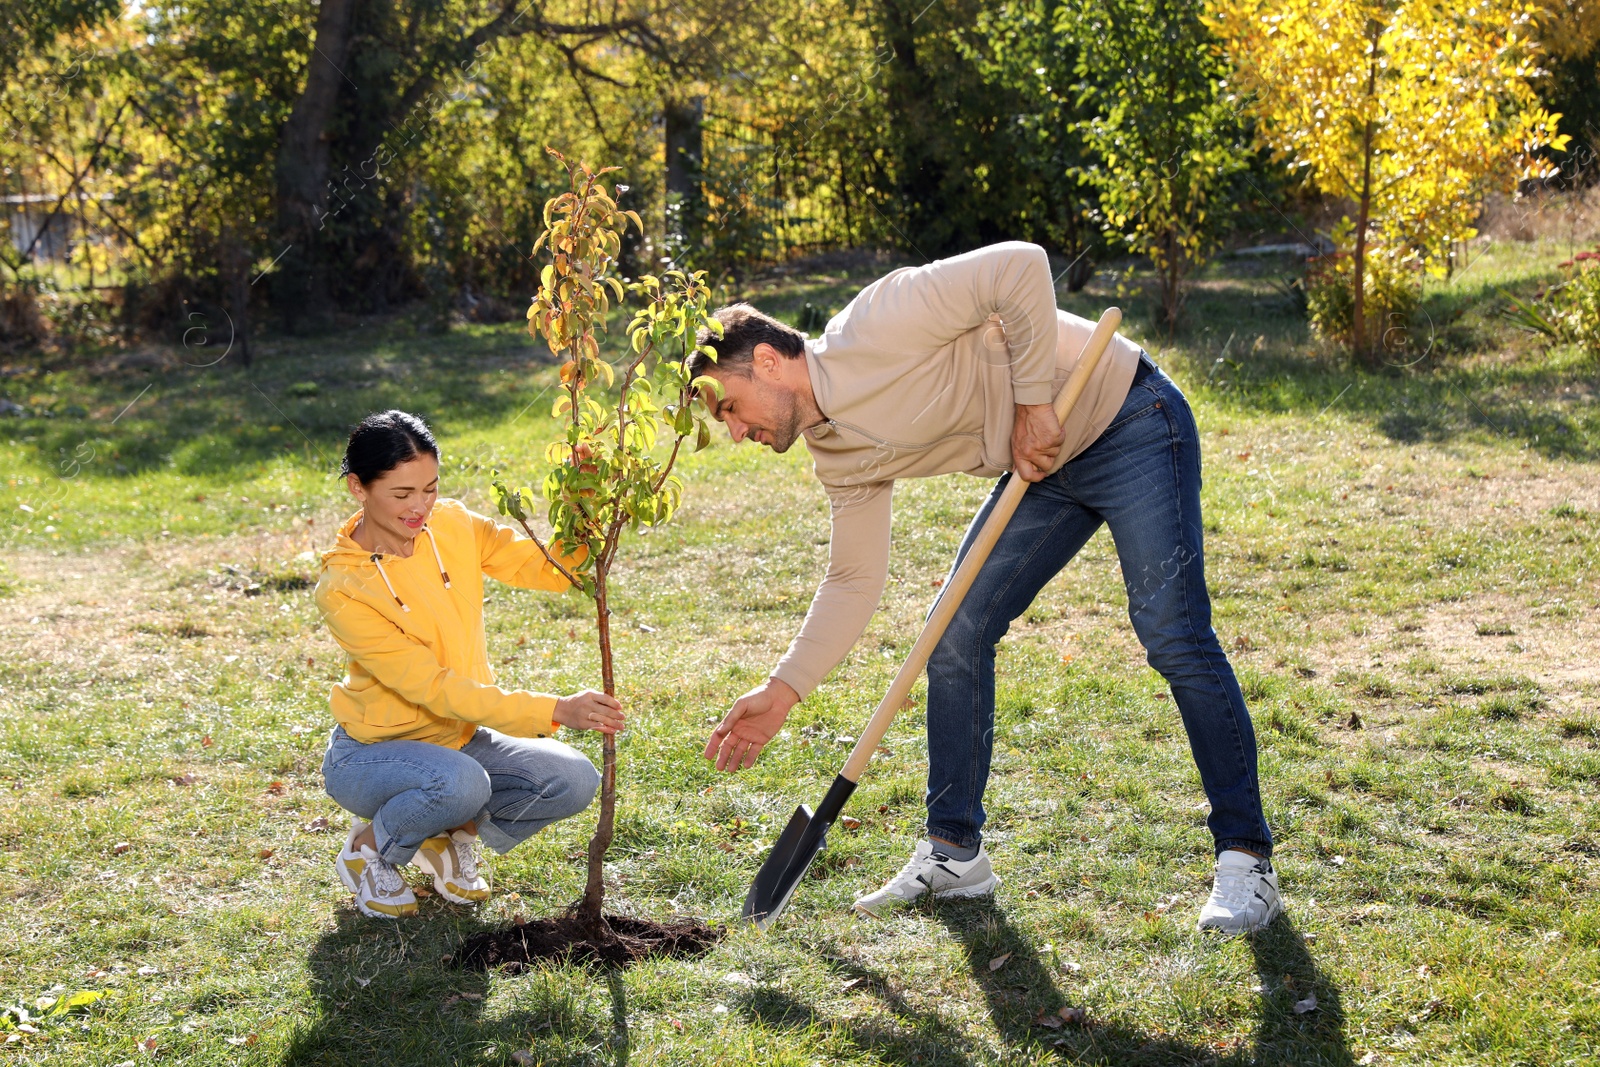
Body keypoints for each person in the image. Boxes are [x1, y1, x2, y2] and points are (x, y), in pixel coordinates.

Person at [693, 243, 1281, 934]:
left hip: (1127, 417)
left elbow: (1021, 267)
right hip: (1043, 467)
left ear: (767, 361)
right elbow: (854, 577)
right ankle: (954, 854)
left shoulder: (879, 321)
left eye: (729, 407)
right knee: (956, 631)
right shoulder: (836, 451)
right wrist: (784, 687)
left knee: (1171, 630)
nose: (733, 432)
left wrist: (1032, 402)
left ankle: (1248, 860)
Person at [315, 410, 624, 918]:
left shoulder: (453, 524)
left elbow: (552, 568)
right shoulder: (345, 589)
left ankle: (450, 834)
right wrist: (553, 710)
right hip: (373, 754)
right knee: (461, 783)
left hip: (460, 736)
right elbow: (433, 688)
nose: (420, 507)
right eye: (401, 494)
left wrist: (582, 498)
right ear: (358, 487)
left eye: (430, 489)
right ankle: (372, 854)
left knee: (572, 779)